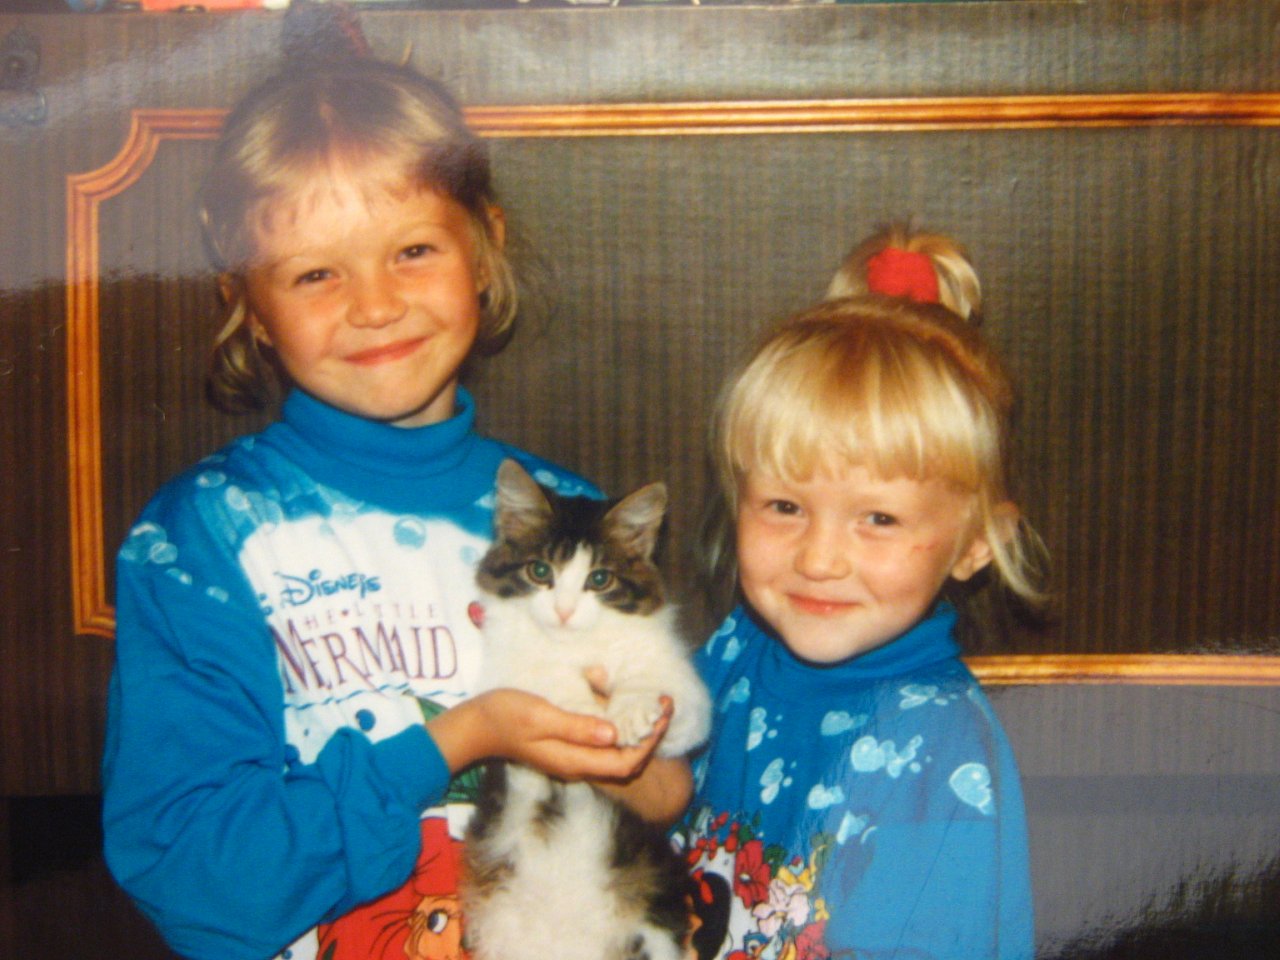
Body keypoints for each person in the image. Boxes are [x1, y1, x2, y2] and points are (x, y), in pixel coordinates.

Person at [101, 52, 689, 960]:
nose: (375, 306)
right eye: (315, 274)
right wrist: (458, 740)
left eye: (412, 251)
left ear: (482, 250)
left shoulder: (572, 524)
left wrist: (642, 767)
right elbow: (197, 882)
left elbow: (669, 804)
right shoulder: (207, 535)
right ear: (248, 304)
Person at [673, 229, 1044, 960]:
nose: (818, 559)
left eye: (878, 518)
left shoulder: (938, 749)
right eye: (784, 506)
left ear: (976, 543)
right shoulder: (735, 649)